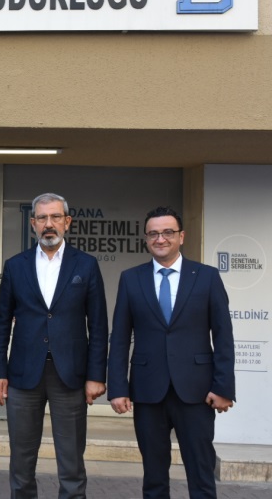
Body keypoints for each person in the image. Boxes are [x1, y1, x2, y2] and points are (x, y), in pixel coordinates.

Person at [107, 206, 235, 499]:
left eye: (167, 232)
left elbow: (223, 336)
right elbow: (120, 337)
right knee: (153, 476)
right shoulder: (131, 278)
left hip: (197, 391)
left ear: (181, 236)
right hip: (148, 391)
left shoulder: (207, 277)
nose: (160, 239)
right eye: (153, 234)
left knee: (201, 474)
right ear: (146, 239)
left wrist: (223, 387)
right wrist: (118, 388)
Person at [0, 192, 109, 499]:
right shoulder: (15, 266)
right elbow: (2, 323)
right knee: (21, 463)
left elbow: (98, 325)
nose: (49, 224)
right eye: (42, 218)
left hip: (70, 376)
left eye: (55, 217)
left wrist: (96, 375)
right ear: (33, 223)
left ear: (67, 222)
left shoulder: (86, 265)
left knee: (71, 464)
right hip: (22, 375)